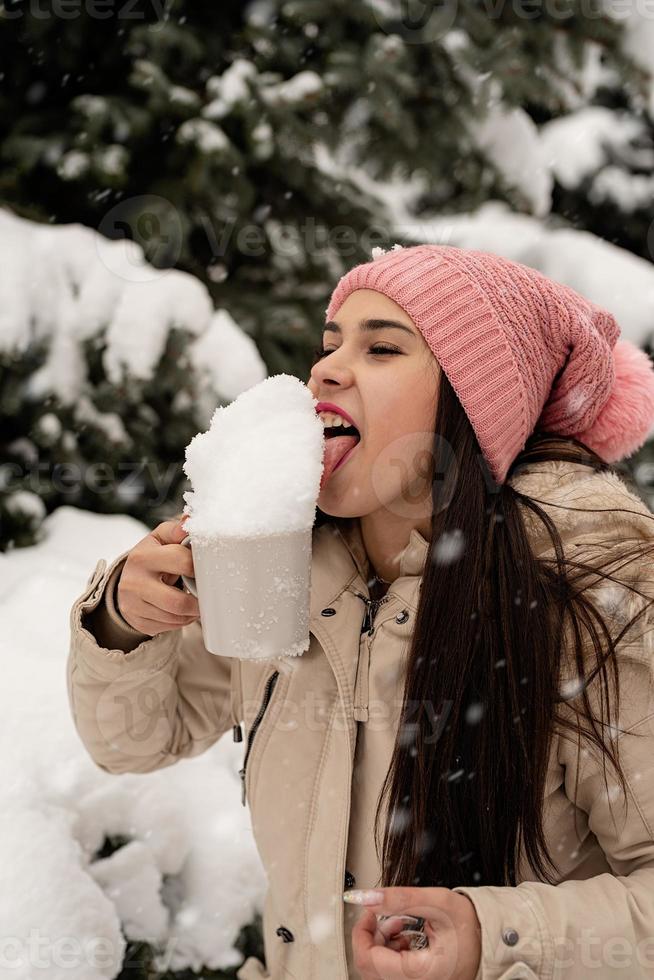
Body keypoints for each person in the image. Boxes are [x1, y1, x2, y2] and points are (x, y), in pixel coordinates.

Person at [67, 244, 654, 980]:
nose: (327, 369)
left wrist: (495, 936)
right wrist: (124, 620)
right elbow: (136, 740)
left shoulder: (588, 593)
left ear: (476, 405)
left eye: (382, 347)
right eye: (328, 344)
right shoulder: (282, 565)